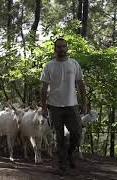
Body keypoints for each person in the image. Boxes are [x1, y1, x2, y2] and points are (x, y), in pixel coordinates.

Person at [40, 38, 88, 176]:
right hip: (54, 106)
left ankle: (69, 154)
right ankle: (62, 166)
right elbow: (43, 88)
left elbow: (80, 84)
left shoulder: (74, 64)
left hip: (72, 105)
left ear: (67, 48)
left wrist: (84, 102)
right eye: (58, 47)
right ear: (55, 49)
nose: (61, 49)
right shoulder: (49, 66)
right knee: (59, 138)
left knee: (77, 133)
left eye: (63, 46)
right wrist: (43, 107)